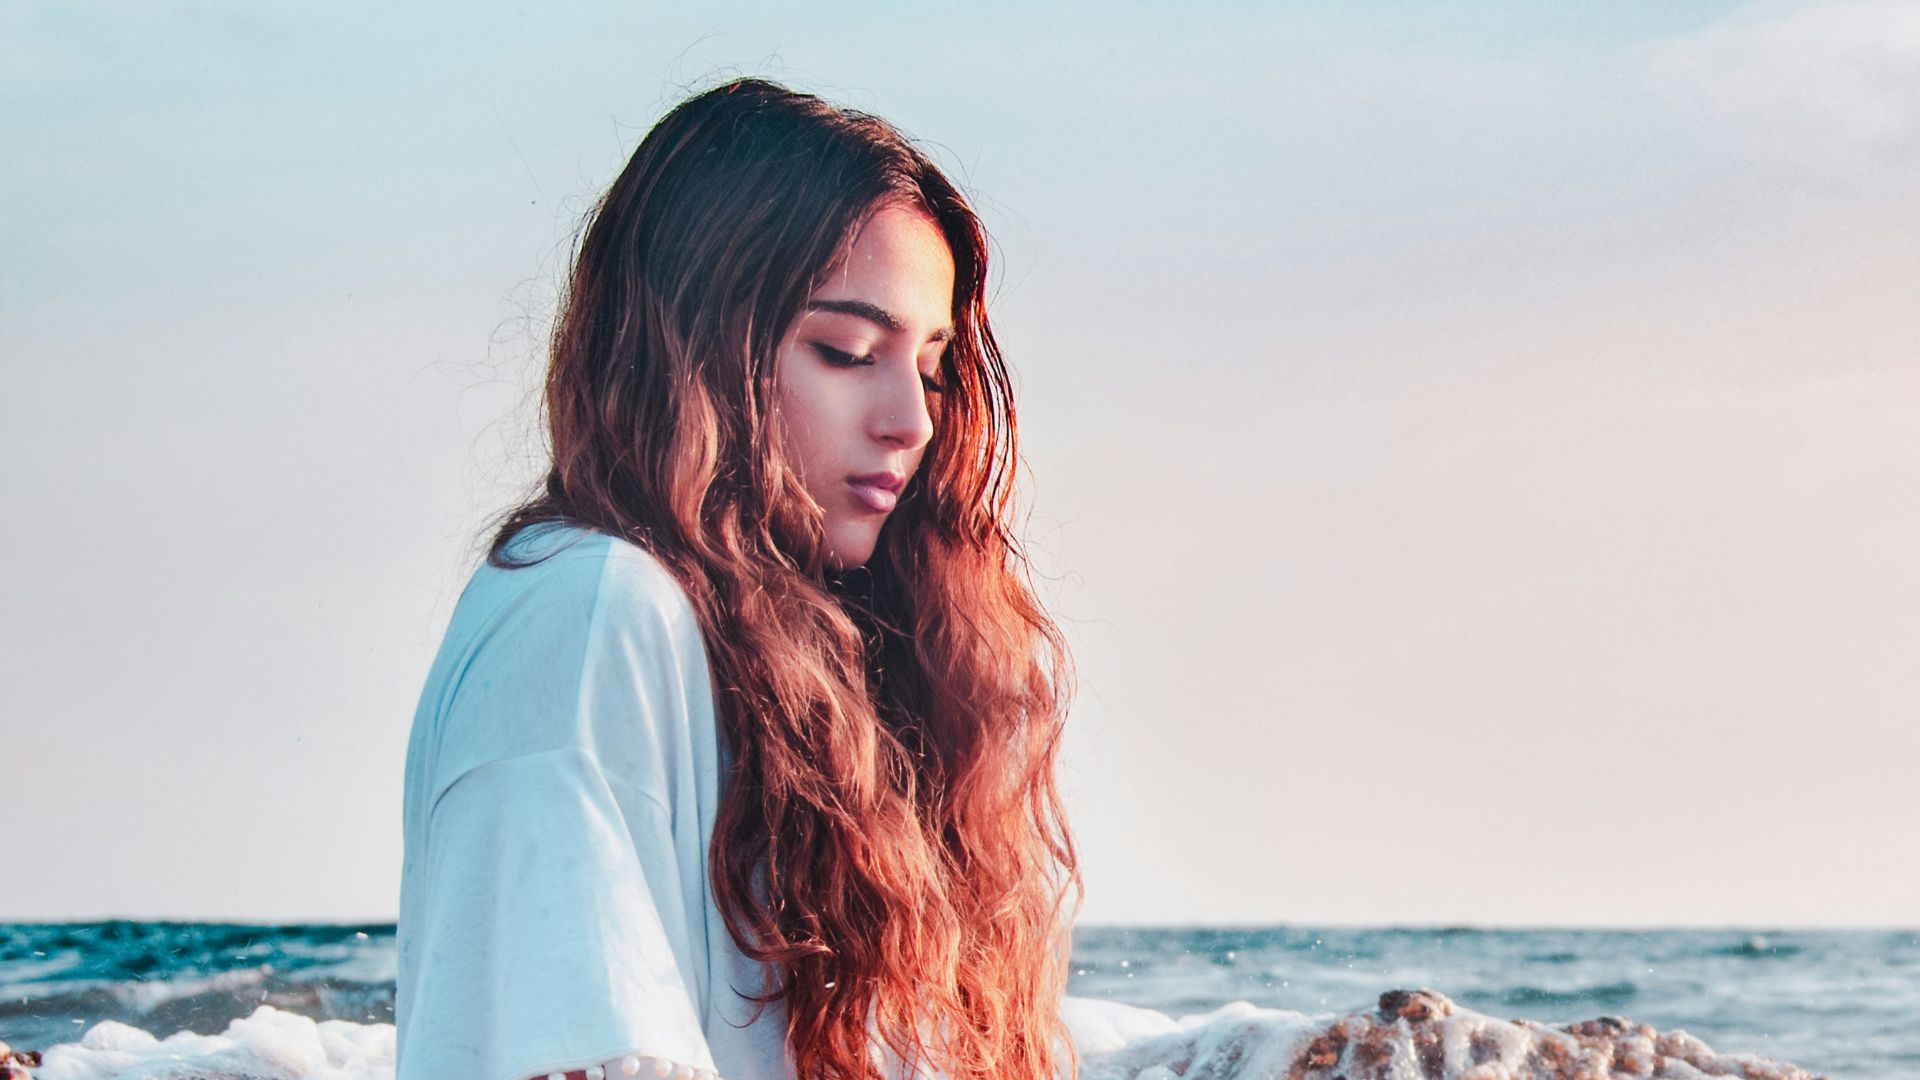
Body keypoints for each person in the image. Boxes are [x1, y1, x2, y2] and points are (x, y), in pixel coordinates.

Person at [395, 78, 1083, 1080]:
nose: (911, 421)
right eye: (846, 352)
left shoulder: (787, 656)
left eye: (931, 369)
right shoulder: (587, 612)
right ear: (689, 345)